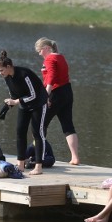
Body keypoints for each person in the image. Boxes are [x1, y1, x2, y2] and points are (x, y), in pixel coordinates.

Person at [0, 50, 48, 175]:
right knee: (20, 131)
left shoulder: (24, 74)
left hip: (38, 103)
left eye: (1, 70)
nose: (0, 73)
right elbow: (13, 94)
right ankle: (21, 165)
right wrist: (7, 107)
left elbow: (33, 95)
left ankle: (38, 167)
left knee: (37, 133)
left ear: (8, 67)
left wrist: (16, 101)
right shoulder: (7, 77)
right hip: (24, 104)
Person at [35, 37, 80, 165]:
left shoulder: (49, 58)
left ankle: (39, 155)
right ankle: (75, 157)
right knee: (68, 126)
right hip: (67, 92)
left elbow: (51, 76)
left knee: (40, 124)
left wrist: (46, 95)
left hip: (55, 93)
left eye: (40, 50)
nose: (39, 54)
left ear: (46, 48)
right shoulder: (61, 57)